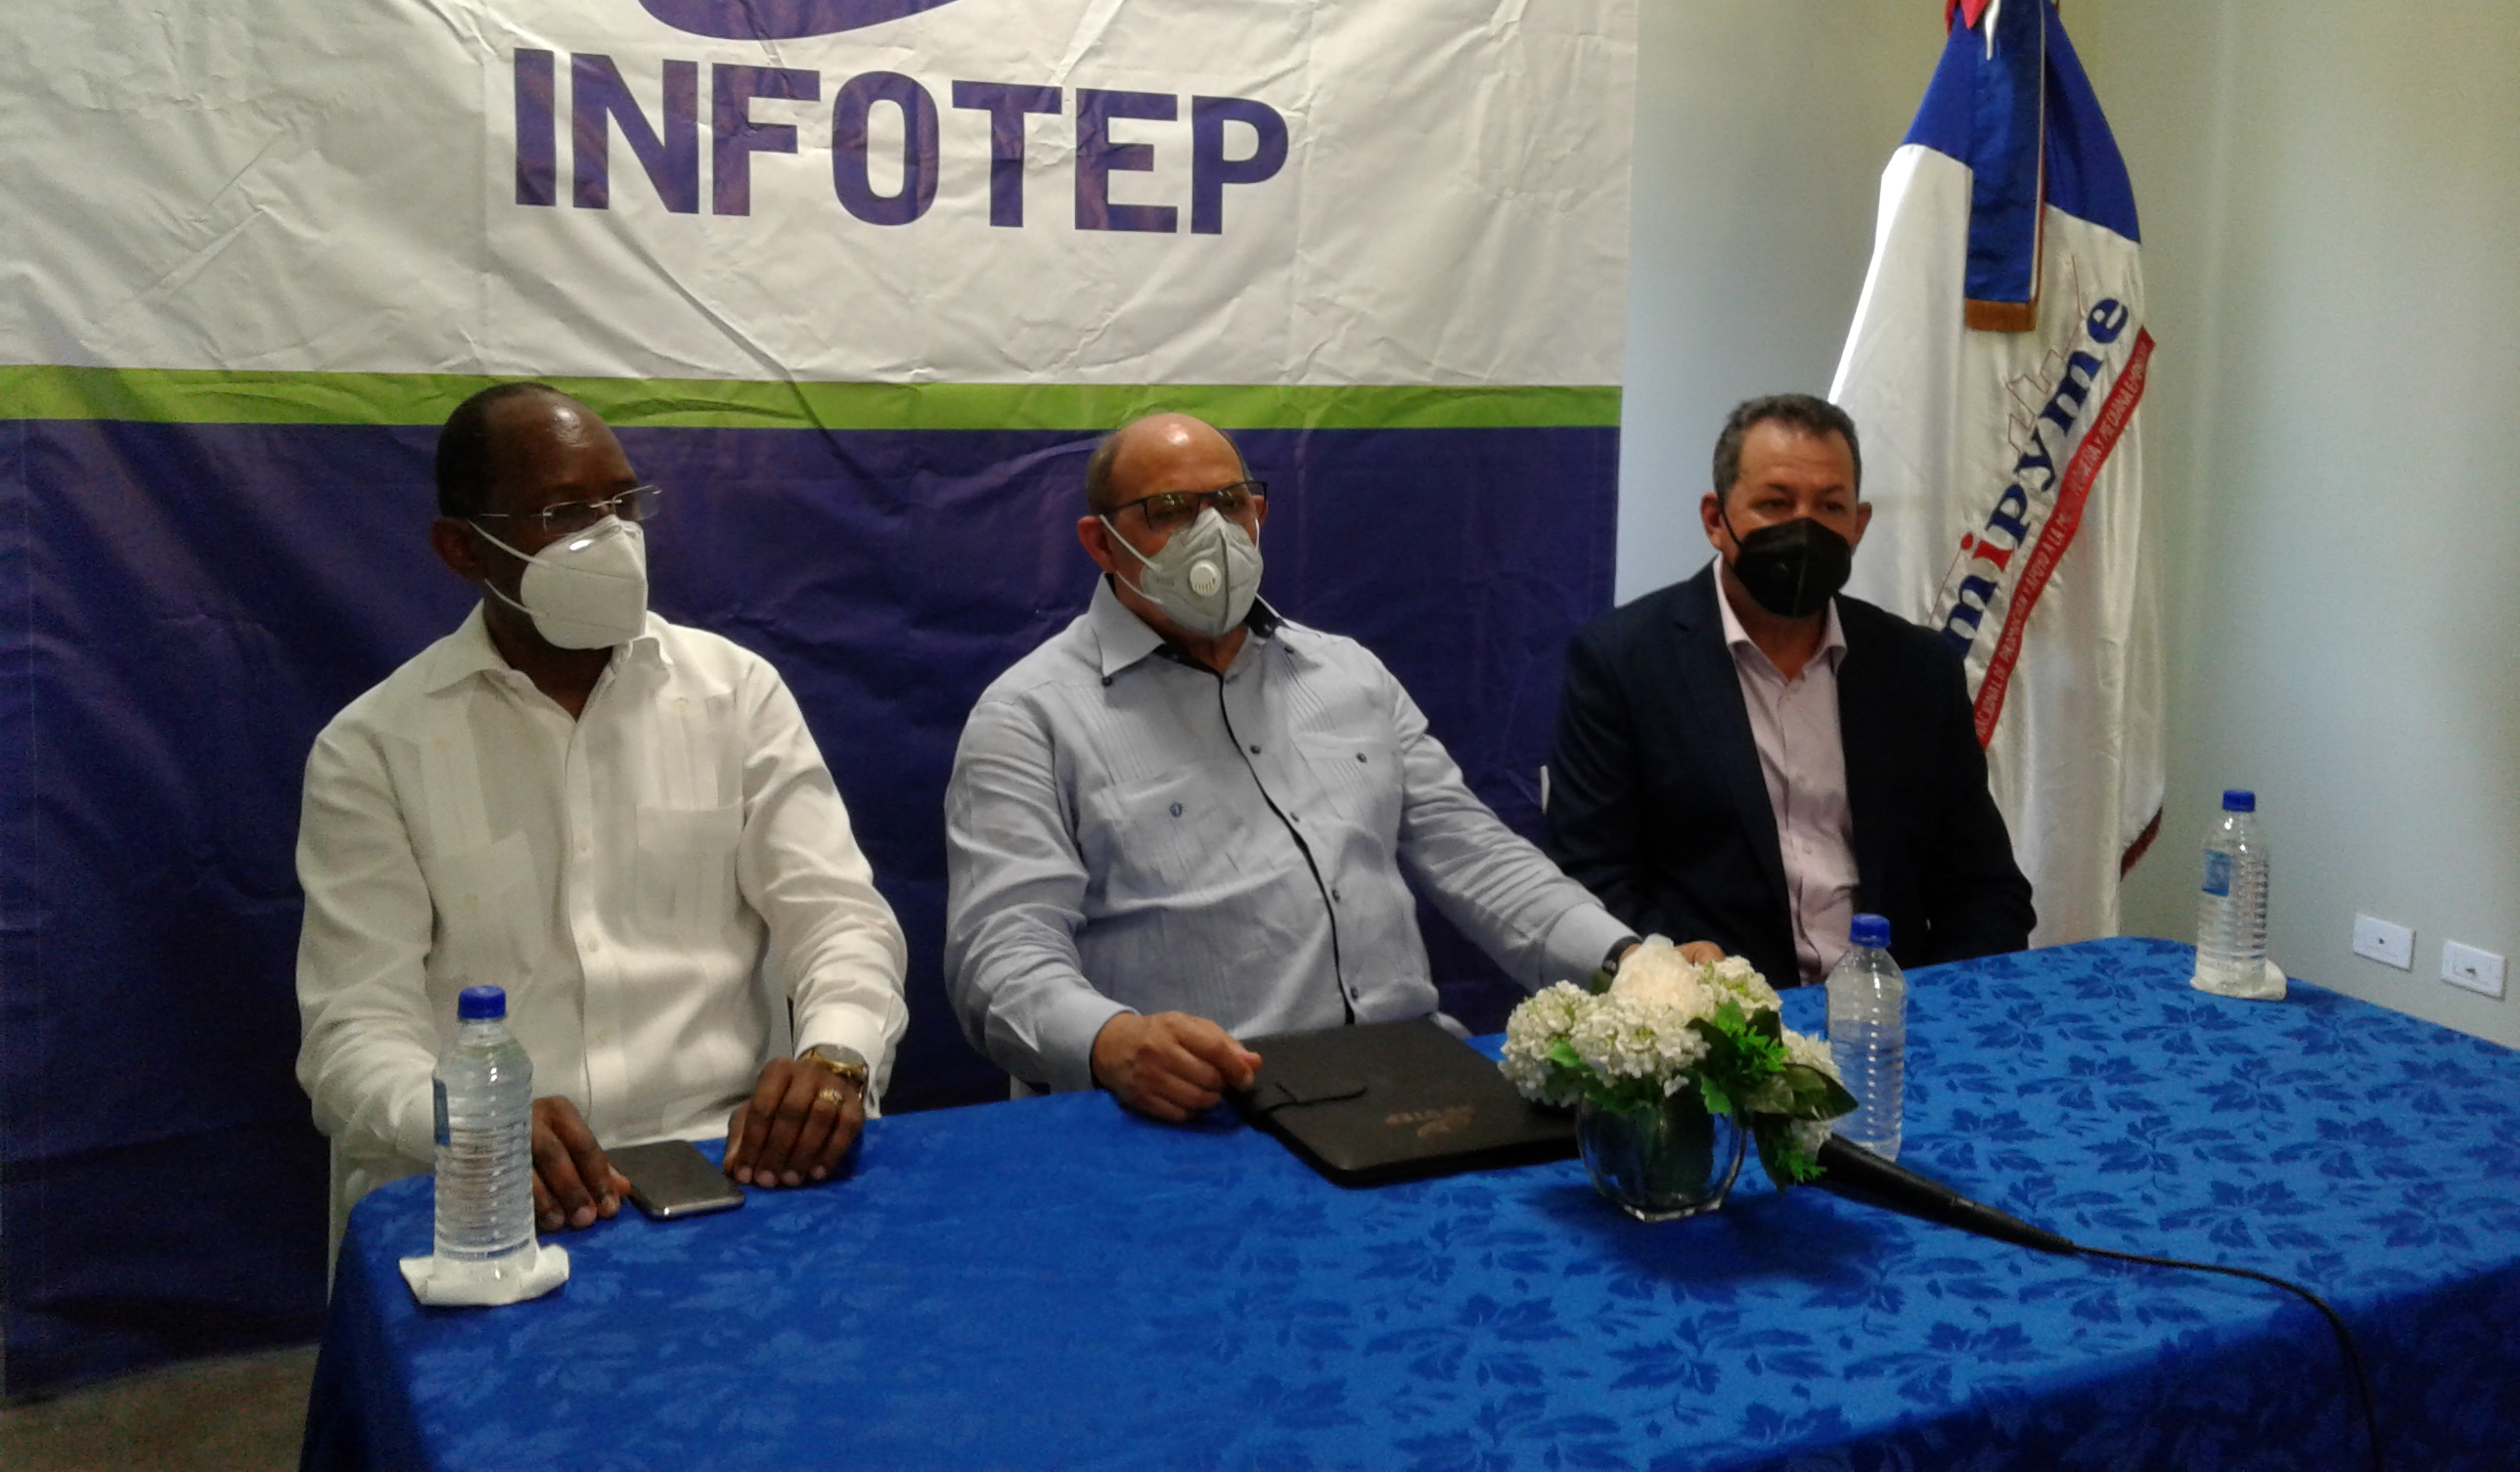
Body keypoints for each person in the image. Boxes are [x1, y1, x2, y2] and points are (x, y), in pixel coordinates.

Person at [294, 383, 908, 1246]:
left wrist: (837, 1056)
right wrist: (469, 1120)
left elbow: (840, 918)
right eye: (564, 512)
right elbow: (353, 1029)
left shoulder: (734, 694)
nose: (613, 535)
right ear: (462, 548)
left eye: (625, 502)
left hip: (729, 1163)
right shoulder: (375, 748)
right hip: (493, 1188)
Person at [943, 413, 1641, 1121]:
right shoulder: (1030, 716)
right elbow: (1001, 955)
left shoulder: (1349, 675)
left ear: (1259, 514)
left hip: (1411, 1081)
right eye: (1170, 510)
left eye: (1230, 502)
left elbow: (1477, 857)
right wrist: (1110, 1041)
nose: (1211, 531)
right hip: (1202, 1109)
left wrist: (1628, 964)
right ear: (1101, 541)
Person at [1543, 393, 2034, 992]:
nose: (1805, 527)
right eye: (1775, 503)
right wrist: (1682, 984)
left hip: (1894, 1012)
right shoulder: (1622, 662)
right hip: (1718, 1018)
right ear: (1715, 519)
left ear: (1859, 525)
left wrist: (1943, 1009)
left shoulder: (1917, 668)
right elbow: (1591, 878)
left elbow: (1985, 888)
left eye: (1830, 506)